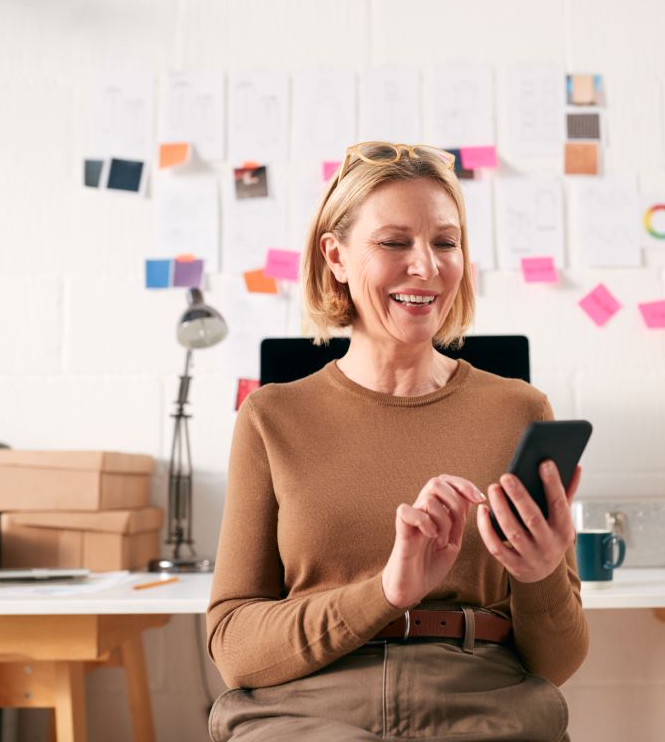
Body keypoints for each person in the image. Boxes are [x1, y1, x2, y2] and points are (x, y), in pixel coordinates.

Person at [206, 141, 589, 742]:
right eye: (393, 242)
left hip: (480, 703)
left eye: (445, 242)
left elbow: (555, 665)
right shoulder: (270, 417)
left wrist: (541, 574)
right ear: (335, 256)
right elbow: (233, 647)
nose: (427, 267)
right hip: (309, 709)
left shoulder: (520, 410)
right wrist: (386, 592)